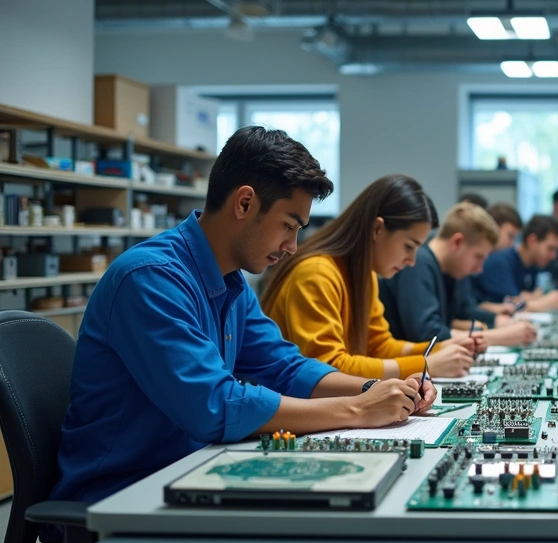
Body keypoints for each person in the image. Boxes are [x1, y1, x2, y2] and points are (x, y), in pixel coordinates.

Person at [46, 127, 436, 516]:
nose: (292, 247)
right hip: (119, 503)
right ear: (245, 203)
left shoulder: (230, 282)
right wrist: (357, 410)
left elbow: (283, 367)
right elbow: (214, 405)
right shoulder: (149, 278)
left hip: (191, 476)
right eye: (288, 225)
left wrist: (378, 390)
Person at [261, 174, 477, 380]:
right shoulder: (316, 273)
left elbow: (379, 346)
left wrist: (439, 348)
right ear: (377, 228)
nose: (412, 260)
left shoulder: (365, 274)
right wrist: (425, 364)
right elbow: (328, 368)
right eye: (408, 246)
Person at [379, 202, 538, 346]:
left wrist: (497, 320)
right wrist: (499, 336)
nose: (479, 269)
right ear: (457, 242)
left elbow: (465, 311)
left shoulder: (452, 269)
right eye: (478, 257)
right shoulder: (418, 263)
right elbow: (427, 334)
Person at [471, 215, 558, 312]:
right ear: (532, 241)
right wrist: (543, 302)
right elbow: (511, 306)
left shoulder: (534, 265)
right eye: (550, 249)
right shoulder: (499, 262)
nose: (554, 256)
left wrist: (527, 298)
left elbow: (524, 298)